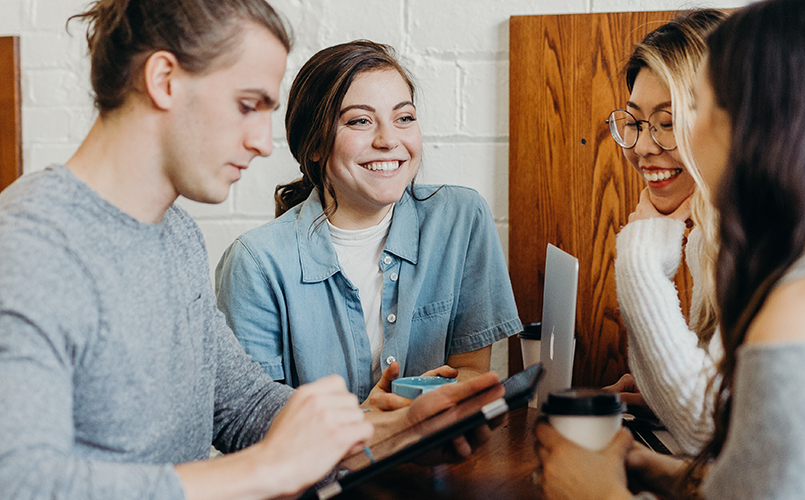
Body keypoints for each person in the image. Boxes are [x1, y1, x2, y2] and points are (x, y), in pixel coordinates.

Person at [0, 2, 500, 499]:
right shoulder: (30, 246)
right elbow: (20, 482)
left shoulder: (174, 233)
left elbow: (240, 404)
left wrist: (393, 435)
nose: (264, 143)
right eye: (247, 105)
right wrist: (264, 470)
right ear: (164, 80)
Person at [536, 0, 805, 498]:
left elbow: (715, 430)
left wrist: (596, 493)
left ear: (760, 124)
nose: (654, 143)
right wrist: (678, 477)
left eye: (698, 107)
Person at [215, 40, 522, 408]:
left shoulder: (461, 218)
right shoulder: (255, 263)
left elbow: (471, 371)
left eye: (404, 118)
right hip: (323, 466)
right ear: (313, 145)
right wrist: (370, 421)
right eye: (360, 121)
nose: (389, 140)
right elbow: (254, 421)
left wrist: (424, 403)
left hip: (436, 458)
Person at [605, 9, 726, 455]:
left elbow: (706, 430)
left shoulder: (761, 239)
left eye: (668, 122)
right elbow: (717, 412)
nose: (642, 146)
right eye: (635, 122)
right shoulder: (709, 237)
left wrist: (639, 258)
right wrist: (660, 393)